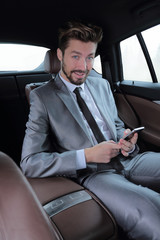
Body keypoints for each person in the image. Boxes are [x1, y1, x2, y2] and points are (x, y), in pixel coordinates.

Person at [21, 21, 160, 239]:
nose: (84, 66)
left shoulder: (102, 84)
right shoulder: (42, 97)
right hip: (94, 174)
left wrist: (127, 141)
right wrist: (86, 155)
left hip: (127, 159)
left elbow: (115, 126)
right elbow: (30, 163)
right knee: (153, 215)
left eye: (89, 57)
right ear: (60, 54)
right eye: (75, 56)